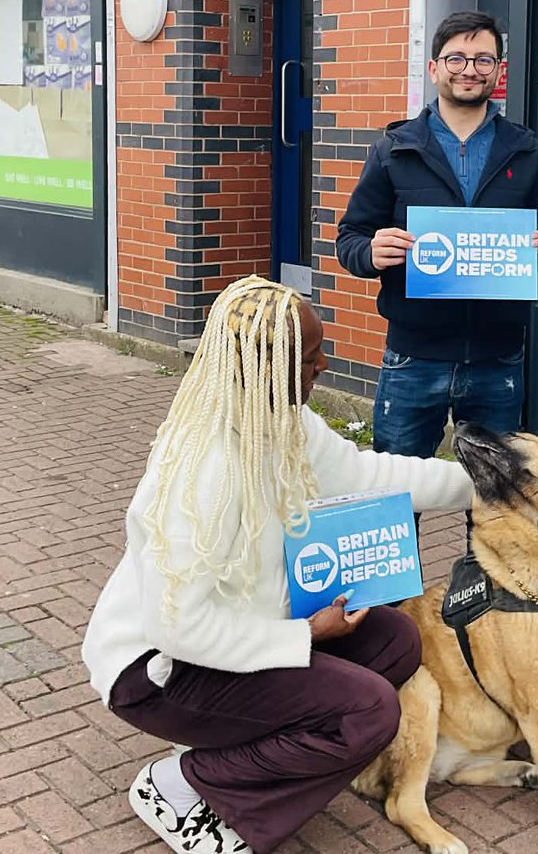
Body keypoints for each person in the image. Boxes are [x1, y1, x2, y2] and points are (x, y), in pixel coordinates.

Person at [81, 276, 473, 854]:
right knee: (366, 712)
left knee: (395, 639)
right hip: (157, 669)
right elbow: (178, 626)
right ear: (268, 365)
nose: (324, 367)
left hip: (236, 641)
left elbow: (370, 476)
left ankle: (234, 753)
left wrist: (488, 487)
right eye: (311, 357)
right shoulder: (202, 473)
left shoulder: (279, 421)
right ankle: (184, 785)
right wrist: (305, 635)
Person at [336, 10, 538, 461]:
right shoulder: (394, 150)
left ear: (498, 72)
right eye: (456, 59)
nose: (470, 69)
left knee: (496, 505)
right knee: (398, 493)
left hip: (498, 359)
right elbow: (350, 238)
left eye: (483, 60)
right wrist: (371, 252)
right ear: (434, 68)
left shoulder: (527, 152)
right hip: (413, 356)